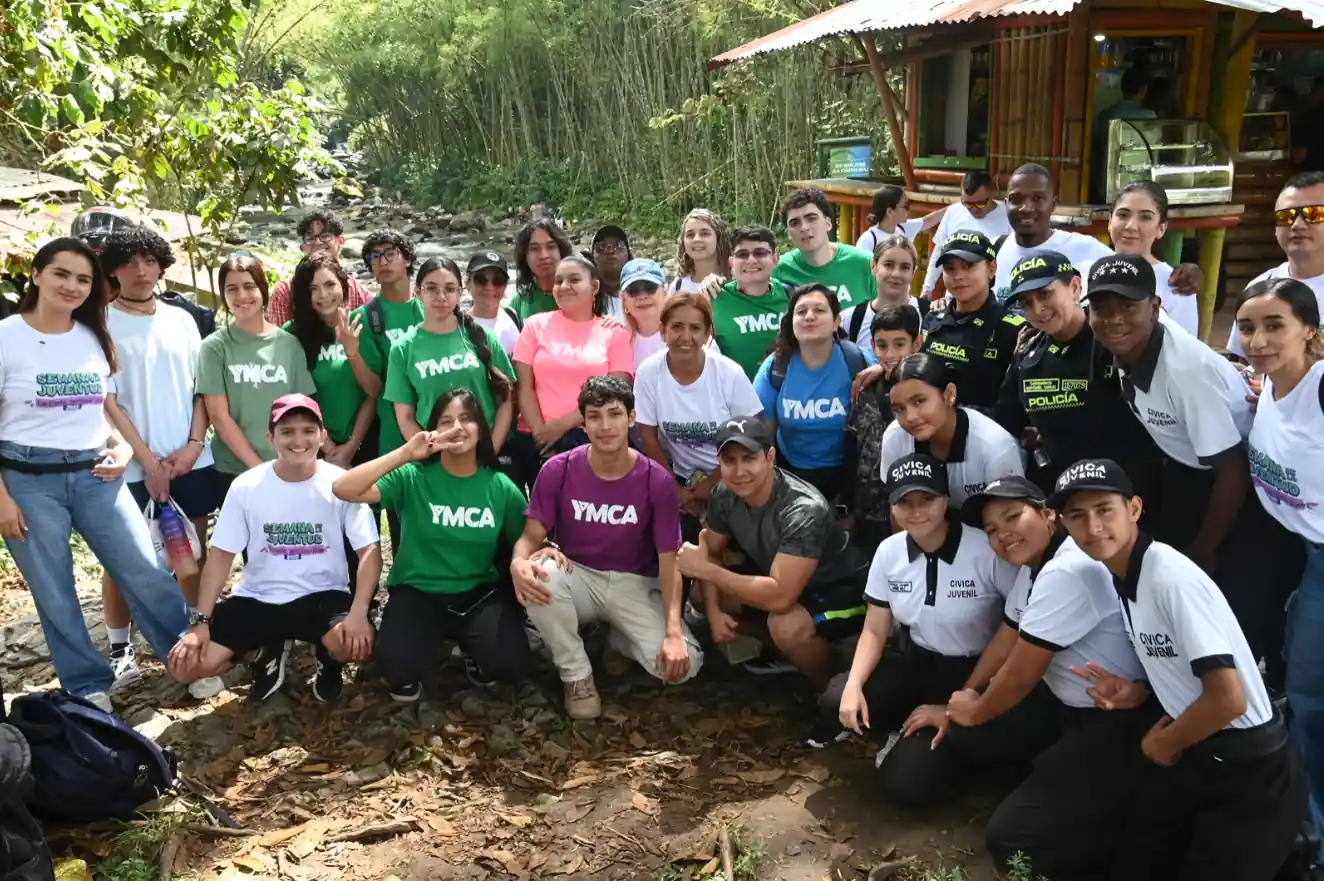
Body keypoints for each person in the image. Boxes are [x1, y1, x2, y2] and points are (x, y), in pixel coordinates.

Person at [1051, 458, 1308, 881]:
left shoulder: (1169, 579)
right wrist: (1142, 691)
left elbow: (1228, 699)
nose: (1093, 527)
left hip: (1249, 770)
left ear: (1134, 509)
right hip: (1201, 753)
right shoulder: (1124, 575)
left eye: (1104, 510)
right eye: (1077, 516)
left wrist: (1164, 745)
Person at [1087, 253, 1300, 684]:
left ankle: (1258, 702)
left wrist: (1206, 547)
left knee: (1240, 607)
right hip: (1189, 472)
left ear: (1155, 307)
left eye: (1128, 307)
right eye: (1102, 309)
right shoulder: (1118, 347)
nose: (1114, 320)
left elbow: (1232, 469)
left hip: (1241, 485)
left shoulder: (1184, 371)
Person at [0, 238, 190, 712]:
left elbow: (106, 409)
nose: (72, 286)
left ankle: (186, 657)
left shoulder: (91, 335)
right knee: (54, 588)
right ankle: (86, 683)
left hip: (96, 475)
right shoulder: (6, 337)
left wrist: (124, 447)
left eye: (83, 279)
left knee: (145, 568)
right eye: (61, 274)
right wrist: (2, 498)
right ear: (37, 275)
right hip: (27, 479)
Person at [947, 477, 1155, 877]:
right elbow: (1009, 635)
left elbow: (1022, 673)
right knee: (971, 730)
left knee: (1010, 841)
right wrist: (966, 694)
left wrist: (973, 710)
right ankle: (1055, 785)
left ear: (1047, 515)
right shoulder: (1034, 567)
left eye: (1012, 517)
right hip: (1063, 705)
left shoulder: (1067, 569)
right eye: (991, 530)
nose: (1003, 534)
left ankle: (1113, 832)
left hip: (1112, 718)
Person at [823, 455, 1027, 806]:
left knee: (907, 785)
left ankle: (954, 751)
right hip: (915, 662)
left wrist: (957, 703)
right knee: (835, 702)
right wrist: (855, 684)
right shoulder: (890, 552)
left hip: (975, 673)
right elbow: (875, 626)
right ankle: (907, 731)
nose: (916, 512)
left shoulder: (985, 549)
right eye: (905, 502)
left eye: (926, 500)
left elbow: (1015, 630)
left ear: (945, 501)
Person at [165, 396, 380, 703]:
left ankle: (329, 657)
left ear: (322, 436)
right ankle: (260, 653)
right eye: (287, 431)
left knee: (358, 644)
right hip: (259, 597)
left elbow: (369, 551)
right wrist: (201, 623)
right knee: (185, 668)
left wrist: (359, 612)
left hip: (321, 596)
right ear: (271, 437)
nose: (298, 440)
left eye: (308, 430)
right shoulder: (247, 486)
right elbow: (220, 557)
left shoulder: (342, 483)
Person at [511, 376, 702, 718]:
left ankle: (619, 640)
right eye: (595, 416)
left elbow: (669, 560)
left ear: (630, 419)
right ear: (583, 424)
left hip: (635, 582)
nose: (605, 425)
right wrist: (517, 561)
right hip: (578, 575)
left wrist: (673, 631)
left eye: (614, 414)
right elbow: (531, 535)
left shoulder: (654, 479)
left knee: (685, 666)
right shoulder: (558, 470)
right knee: (540, 576)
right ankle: (576, 675)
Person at [332, 388, 534, 703]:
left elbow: (527, 537)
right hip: (418, 591)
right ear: (433, 431)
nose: (457, 428)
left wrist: (542, 552)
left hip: (476, 594)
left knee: (511, 664)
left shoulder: (499, 485)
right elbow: (344, 488)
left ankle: (472, 649)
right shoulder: (412, 476)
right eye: (446, 421)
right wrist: (404, 454)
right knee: (398, 671)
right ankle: (420, 646)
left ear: (480, 427)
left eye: (466, 419)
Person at [98, 226, 220, 697]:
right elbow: (108, 401)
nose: (141, 271)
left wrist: (192, 444)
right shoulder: (102, 324)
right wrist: (146, 460)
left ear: (161, 264)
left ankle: (193, 641)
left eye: (149, 260)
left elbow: (201, 388)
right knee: (124, 560)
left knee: (191, 552)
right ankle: (119, 649)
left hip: (190, 459)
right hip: (130, 464)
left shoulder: (182, 320)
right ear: (113, 269)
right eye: (129, 262)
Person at [676, 418, 870, 693]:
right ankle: (783, 652)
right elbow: (711, 549)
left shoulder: (802, 510)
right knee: (704, 594)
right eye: (729, 461)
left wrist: (708, 572)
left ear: (769, 457)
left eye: (749, 458)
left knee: (785, 624)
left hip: (840, 588)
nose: (740, 471)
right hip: (781, 579)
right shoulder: (724, 493)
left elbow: (780, 598)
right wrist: (714, 611)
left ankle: (832, 693)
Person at [1237, 276, 1324, 853]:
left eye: (1275, 327)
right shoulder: (1265, 383)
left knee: (1310, 691)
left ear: (1310, 332)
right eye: (1247, 326)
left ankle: (1311, 824)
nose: (1258, 339)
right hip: (1291, 546)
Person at [995, 251, 1162, 495]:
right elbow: (1006, 419)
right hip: (1060, 494)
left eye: (1045, 294)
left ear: (1075, 287)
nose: (1038, 309)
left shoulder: (1116, 340)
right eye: (1026, 302)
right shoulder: (1028, 354)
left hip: (1128, 493)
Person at [636, 294, 764, 543]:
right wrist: (675, 490)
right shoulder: (649, 373)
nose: (686, 337)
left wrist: (713, 485)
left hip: (734, 478)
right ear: (662, 331)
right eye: (676, 327)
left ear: (707, 334)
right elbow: (648, 438)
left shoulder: (728, 373)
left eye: (695, 328)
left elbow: (754, 435)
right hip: (680, 481)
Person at [197, 254, 317, 502]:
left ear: (262, 289)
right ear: (224, 295)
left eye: (249, 286)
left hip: (288, 465)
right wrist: (259, 470)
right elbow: (219, 416)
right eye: (232, 289)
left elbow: (301, 410)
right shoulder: (214, 347)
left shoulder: (289, 344)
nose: (242, 296)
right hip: (234, 470)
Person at [997, 163, 1203, 305]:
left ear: (1053, 204)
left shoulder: (1084, 249)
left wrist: (1190, 272)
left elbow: (1133, 263)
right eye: (1016, 199)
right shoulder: (994, 250)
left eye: (1037, 198)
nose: (1026, 208)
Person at [513, 256, 633, 475]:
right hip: (535, 440)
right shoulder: (534, 326)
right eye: (559, 281)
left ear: (594, 286)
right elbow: (523, 385)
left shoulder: (614, 334)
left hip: (591, 438)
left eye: (574, 280)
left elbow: (617, 392)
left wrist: (560, 427)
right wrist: (542, 434)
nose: (564, 287)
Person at [384, 258, 514, 456]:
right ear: (417, 292)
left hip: (486, 452)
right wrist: (432, 455)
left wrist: (491, 450)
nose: (441, 296)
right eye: (432, 288)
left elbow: (506, 400)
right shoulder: (402, 349)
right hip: (436, 458)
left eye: (450, 288)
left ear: (460, 293)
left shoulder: (484, 336)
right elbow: (406, 418)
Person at [753, 284, 864, 502]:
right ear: (791, 322)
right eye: (801, 312)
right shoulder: (776, 367)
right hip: (790, 474)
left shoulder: (857, 360)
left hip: (848, 475)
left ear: (836, 322)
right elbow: (763, 434)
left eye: (819, 310)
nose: (809, 317)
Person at [352, 229, 422, 551]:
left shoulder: (431, 305)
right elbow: (374, 387)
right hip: (395, 438)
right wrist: (352, 353)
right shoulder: (367, 318)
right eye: (374, 257)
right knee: (401, 528)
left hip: (441, 428)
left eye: (390, 253)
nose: (382, 262)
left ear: (407, 258)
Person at [881, 353, 1024, 506]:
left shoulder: (995, 446)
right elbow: (898, 509)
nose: (910, 417)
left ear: (949, 394)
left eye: (919, 401)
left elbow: (1009, 516)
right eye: (899, 409)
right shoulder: (894, 437)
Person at [285, 255, 378, 470]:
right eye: (313, 288)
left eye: (329, 285)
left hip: (365, 442)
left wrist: (352, 352)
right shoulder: (292, 334)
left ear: (343, 286)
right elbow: (296, 396)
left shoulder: (360, 324)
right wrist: (328, 448)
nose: (323, 295)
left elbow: (373, 391)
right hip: (312, 447)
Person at [919, 231, 1025, 412]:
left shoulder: (1013, 329)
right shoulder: (932, 318)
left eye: (968, 266)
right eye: (949, 268)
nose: (958, 276)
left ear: (992, 269)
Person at [845, 305, 922, 552]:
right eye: (882, 345)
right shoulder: (864, 389)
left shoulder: (930, 389)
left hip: (915, 508)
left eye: (899, 345)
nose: (889, 354)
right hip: (869, 513)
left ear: (917, 344)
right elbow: (853, 448)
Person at [1226, 171, 1324, 359]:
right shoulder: (1261, 286)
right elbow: (1244, 361)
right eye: (1286, 216)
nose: (1297, 225)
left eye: (1314, 213)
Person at [1109, 181, 1199, 336]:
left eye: (1145, 217)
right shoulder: (1088, 267)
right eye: (1123, 215)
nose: (1131, 226)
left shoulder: (1177, 285)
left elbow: (1185, 348)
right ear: (1110, 221)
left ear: (1161, 228)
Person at [773, 188, 876, 309]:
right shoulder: (778, 270)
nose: (804, 228)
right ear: (788, 233)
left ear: (828, 223)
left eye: (811, 218)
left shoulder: (865, 263)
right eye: (795, 223)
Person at [267, 210, 374, 326]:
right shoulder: (285, 293)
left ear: (340, 241)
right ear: (303, 247)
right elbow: (280, 340)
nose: (318, 242)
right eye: (310, 237)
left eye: (325, 235)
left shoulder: (356, 291)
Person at [710, 226, 789, 380]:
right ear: (731, 263)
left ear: (775, 259)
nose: (751, 260)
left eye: (760, 253)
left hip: (787, 397)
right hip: (735, 399)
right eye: (742, 254)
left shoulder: (792, 297)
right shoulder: (713, 300)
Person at [920, 171, 1013, 298]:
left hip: (993, 296)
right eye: (967, 204)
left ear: (993, 193)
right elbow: (939, 251)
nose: (973, 209)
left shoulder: (1008, 216)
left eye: (980, 203)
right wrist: (928, 287)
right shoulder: (953, 212)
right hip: (955, 295)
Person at [841, 235, 925, 361]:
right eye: (888, 265)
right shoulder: (850, 319)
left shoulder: (929, 314)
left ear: (913, 272)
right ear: (873, 267)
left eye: (905, 267)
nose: (896, 274)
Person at [1090, 66, 1158, 204]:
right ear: (1144, 90)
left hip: (1107, 185)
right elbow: (1154, 150)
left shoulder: (1106, 115)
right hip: (1137, 184)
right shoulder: (1149, 117)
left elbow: (1097, 146)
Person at [511, 219, 574, 324]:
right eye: (534, 249)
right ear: (524, 256)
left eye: (551, 247)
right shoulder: (519, 303)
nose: (544, 255)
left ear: (561, 251)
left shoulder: (581, 294)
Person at [464, 251, 522, 355]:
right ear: (467, 283)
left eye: (498, 280)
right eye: (481, 279)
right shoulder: (459, 325)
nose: (490, 287)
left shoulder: (512, 315)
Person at [619, 258, 670, 366]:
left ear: (664, 292)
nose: (642, 296)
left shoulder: (686, 332)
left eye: (649, 287)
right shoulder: (616, 340)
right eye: (633, 290)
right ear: (623, 299)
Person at [670, 209, 731, 294]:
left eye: (704, 233)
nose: (696, 239)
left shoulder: (735, 283)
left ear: (719, 238)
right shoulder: (677, 287)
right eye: (690, 235)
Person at [855, 185, 921, 254]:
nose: (908, 209)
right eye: (905, 206)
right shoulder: (868, 240)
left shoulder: (903, 228)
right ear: (890, 212)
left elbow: (929, 220)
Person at [590, 225, 630, 318]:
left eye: (619, 246)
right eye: (601, 247)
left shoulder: (645, 295)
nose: (611, 251)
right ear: (592, 257)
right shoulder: (586, 299)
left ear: (628, 253)